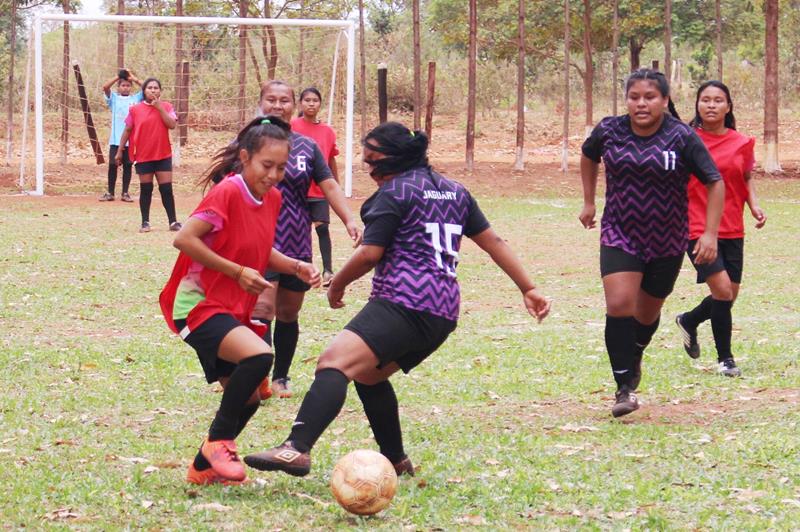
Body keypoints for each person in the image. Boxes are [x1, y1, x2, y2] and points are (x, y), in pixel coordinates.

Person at [244, 122, 550, 478]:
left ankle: (295, 449)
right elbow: (494, 241)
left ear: (396, 158)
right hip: (442, 312)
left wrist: (337, 285)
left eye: (373, 160)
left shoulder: (394, 194)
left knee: (333, 363)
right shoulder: (456, 191)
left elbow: (370, 253)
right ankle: (396, 460)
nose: (368, 168)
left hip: (403, 302)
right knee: (370, 377)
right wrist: (528, 287)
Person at [158, 116, 321, 485]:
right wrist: (236, 272)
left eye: (281, 167)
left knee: (247, 398)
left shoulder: (273, 197)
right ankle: (218, 442)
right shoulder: (228, 191)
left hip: (230, 306)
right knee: (260, 356)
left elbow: (260, 249)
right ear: (245, 157)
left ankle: (203, 466)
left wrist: (295, 265)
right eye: (267, 165)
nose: (275, 175)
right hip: (195, 304)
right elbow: (184, 239)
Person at [579, 68, 725, 418]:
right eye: (634, 97)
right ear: (626, 99)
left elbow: (714, 181)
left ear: (664, 100)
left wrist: (709, 233)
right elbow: (588, 155)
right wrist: (588, 201)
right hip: (620, 232)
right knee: (619, 305)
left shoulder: (682, 136)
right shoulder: (609, 130)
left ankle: (636, 352)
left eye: (650, 97)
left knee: (646, 314)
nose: (641, 103)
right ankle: (624, 387)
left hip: (667, 238)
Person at [251, 80, 361, 399]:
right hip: (259, 236)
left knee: (288, 311)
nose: (277, 105)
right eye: (271, 99)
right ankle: (257, 375)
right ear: (261, 103)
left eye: (284, 100)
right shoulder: (247, 142)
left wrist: (349, 219)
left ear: (293, 105)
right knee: (263, 306)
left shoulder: (307, 146)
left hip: (296, 236)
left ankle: (281, 376)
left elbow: (327, 185)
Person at [675, 81, 766, 377]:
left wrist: (753, 205)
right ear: (698, 105)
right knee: (723, 291)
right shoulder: (686, 140)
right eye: (705, 100)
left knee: (728, 296)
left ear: (728, 106)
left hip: (733, 227)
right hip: (698, 227)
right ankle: (726, 359)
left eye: (717, 100)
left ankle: (689, 319)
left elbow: (747, 176)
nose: (711, 105)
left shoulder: (742, 142)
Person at [117, 77, 181, 233]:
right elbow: (127, 130)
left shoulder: (166, 106)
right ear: (144, 91)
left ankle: (173, 222)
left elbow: (171, 125)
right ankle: (145, 222)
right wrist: (120, 150)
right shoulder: (135, 109)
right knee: (146, 189)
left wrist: (159, 108)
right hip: (144, 155)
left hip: (163, 154)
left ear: (160, 91)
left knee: (166, 189)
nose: (153, 90)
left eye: (156, 88)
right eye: (149, 88)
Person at [291, 87, 340, 287]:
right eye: (307, 100)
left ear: (320, 104)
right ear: (301, 103)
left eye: (315, 100)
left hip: (319, 189)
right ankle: (303, 269)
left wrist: (335, 183)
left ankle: (328, 270)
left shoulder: (327, 131)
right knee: (300, 229)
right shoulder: (292, 126)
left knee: (322, 228)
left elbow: (330, 159)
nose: (311, 104)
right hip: (298, 188)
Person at [100, 68, 142, 202]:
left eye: (128, 86)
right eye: (123, 85)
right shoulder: (114, 99)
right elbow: (105, 87)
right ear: (118, 87)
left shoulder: (136, 98)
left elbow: (146, 87)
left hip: (131, 140)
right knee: (113, 165)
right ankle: (110, 192)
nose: (125, 88)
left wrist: (133, 77)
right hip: (115, 140)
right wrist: (118, 76)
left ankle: (125, 193)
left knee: (128, 165)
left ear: (131, 87)